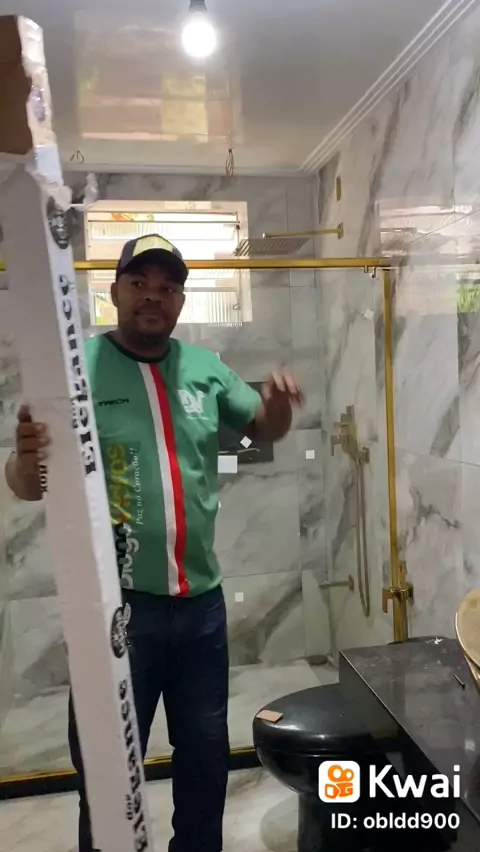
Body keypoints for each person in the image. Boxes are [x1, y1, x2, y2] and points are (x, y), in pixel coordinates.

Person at [5, 233, 304, 852]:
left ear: (180, 301)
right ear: (115, 292)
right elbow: (28, 486)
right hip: (116, 612)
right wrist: (26, 459)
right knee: (108, 772)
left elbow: (264, 427)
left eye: (167, 287)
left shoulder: (206, 368)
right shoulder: (77, 371)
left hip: (201, 610)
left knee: (205, 762)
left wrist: (278, 406)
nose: (152, 296)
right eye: (139, 283)